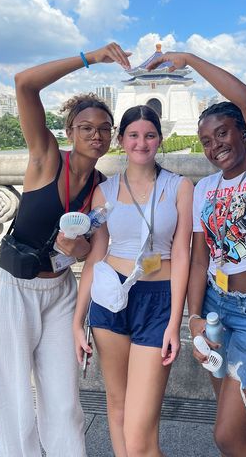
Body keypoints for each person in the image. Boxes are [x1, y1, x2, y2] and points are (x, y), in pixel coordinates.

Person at [0, 43, 131, 457]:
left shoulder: (100, 187)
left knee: (65, 399)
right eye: (86, 127)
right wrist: (90, 58)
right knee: (13, 398)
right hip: (14, 288)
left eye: (104, 128)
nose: (96, 135)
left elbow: (87, 252)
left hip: (60, 292)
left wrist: (76, 246)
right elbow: (24, 84)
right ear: (70, 132)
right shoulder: (46, 158)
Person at [148, 51, 246, 457]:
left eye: (224, 134)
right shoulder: (204, 189)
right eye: (207, 141)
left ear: (243, 132)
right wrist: (193, 319)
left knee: (228, 437)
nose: (216, 146)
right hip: (215, 308)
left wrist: (190, 60)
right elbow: (199, 259)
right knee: (227, 421)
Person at [73, 104, 193, 457]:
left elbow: (183, 253)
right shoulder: (105, 192)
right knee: (119, 405)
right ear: (122, 141)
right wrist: (78, 320)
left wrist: (176, 322)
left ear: (160, 139)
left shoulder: (179, 187)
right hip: (111, 299)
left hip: (158, 301)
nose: (142, 143)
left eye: (150, 135)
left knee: (139, 431)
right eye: (134, 135)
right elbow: (96, 255)